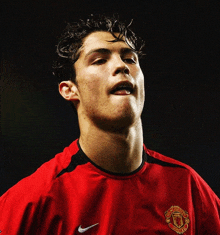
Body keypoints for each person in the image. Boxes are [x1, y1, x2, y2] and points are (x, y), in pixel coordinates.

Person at [0, 14, 219, 235]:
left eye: (130, 59)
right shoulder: (34, 199)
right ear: (69, 90)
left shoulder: (188, 187)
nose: (121, 66)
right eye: (100, 60)